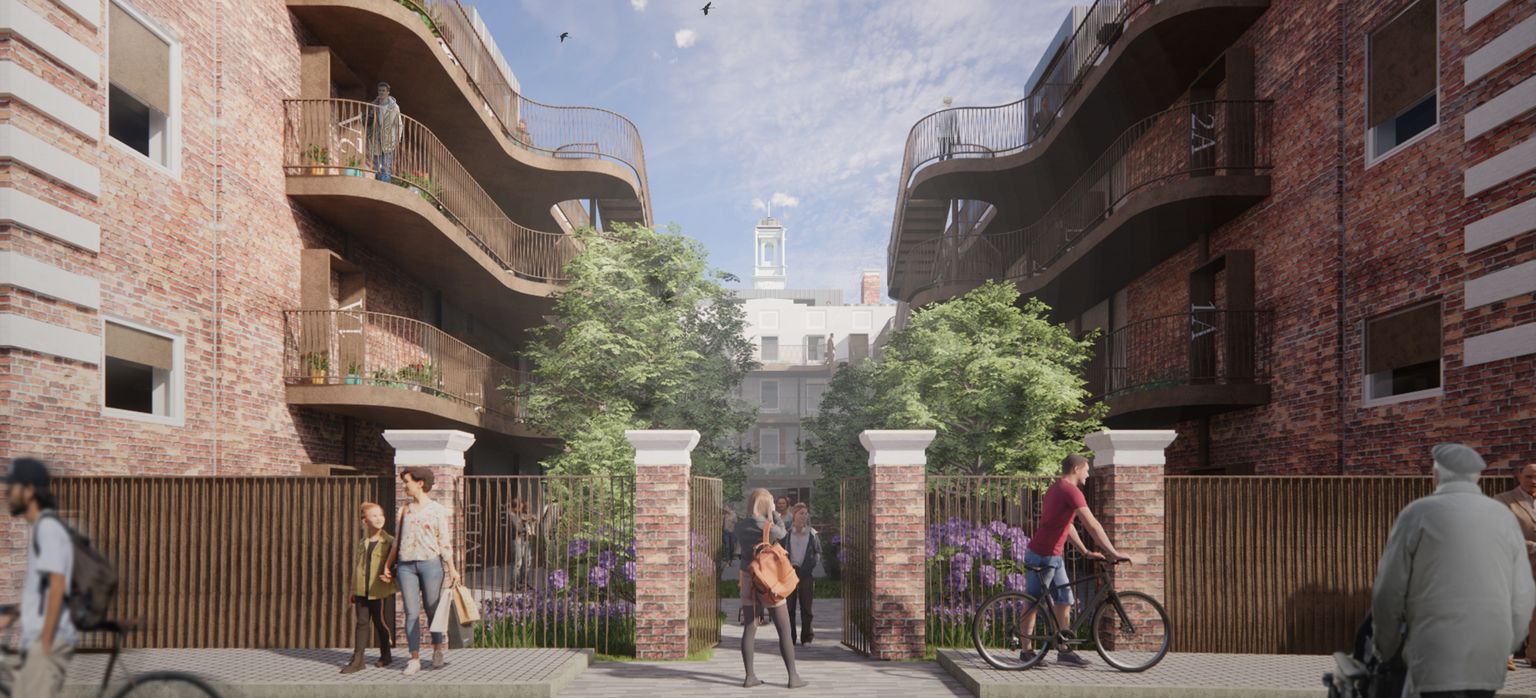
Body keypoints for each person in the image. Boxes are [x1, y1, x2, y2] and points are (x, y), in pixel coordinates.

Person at [1372, 444, 1535, 697]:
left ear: (1436, 476)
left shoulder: (1416, 513)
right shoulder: (1500, 515)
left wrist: (1387, 647)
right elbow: (1523, 591)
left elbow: (1389, 590)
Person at [1018, 453, 1130, 667]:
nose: (1088, 474)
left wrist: (1086, 551)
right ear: (1077, 468)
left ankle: (1065, 650)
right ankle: (1026, 652)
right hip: (1044, 555)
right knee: (1034, 601)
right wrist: (1112, 552)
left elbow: (1066, 525)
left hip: (1054, 554)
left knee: (1065, 599)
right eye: (1087, 470)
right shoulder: (1071, 491)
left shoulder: (1056, 489)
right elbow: (1092, 525)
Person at [0, 458, 75, 697]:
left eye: (12, 488)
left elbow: (57, 585)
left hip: (47, 641)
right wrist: (12, 615)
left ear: (29, 490)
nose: (7, 494)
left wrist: (44, 643)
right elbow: (42, 591)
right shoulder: (40, 529)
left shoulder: (48, 529)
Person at [380, 467, 460, 676]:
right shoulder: (404, 510)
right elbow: (397, 542)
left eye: (407, 481)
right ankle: (414, 658)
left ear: (420, 483)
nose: (404, 485)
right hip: (406, 566)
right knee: (411, 612)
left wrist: (452, 569)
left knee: (432, 609)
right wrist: (387, 565)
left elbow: (444, 540)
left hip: (431, 564)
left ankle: (437, 650)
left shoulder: (436, 510)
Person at [735, 488, 805, 689]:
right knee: (783, 628)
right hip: (768, 580)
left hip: (748, 579)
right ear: (767, 505)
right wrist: (773, 512)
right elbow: (783, 531)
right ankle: (793, 677)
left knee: (750, 627)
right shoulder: (770, 527)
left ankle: (750, 677)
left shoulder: (740, 527)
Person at [342, 502, 398, 673]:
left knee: (381, 624)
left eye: (380, 514)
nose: (379, 518)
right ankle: (358, 659)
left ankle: (386, 654)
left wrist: (391, 575)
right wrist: (353, 589)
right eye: (373, 516)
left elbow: (398, 563)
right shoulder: (363, 542)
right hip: (361, 590)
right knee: (361, 623)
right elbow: (358, 566)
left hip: (379, 590)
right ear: (364, 521)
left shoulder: (389, 541)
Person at [1495, 461, 1536, 670]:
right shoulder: (1503, 501)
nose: (1533, 481)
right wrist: (1532, 547)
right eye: (1529, 476)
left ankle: (1534, 655)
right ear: (1519, 476)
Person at [784, 503, 820, 645]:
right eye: (801, 513)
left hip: (806, 573)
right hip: (790, 572)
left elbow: (818, 552)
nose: (804, 516)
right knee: (789, 607)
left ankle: (807, 637)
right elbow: (780, 551)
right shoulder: (787, 533)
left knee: (806, 607)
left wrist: (810, 565)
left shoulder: (812, 533)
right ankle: (790, 637)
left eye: (806, 514)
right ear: (794, 515)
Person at [365, 81, 402, 183]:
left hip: (389, 139)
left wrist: (397, 140)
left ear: (388, 92)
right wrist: (369, 133)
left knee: (386, 164)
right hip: (376, 138)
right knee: (377, 164)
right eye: (379, 90)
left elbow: (399, 124)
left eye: (383, 91)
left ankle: (384, 185)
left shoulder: (394, 107)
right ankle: (378, 184)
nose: (381, 92)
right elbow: (368, 121)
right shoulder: (374, 105)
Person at [936, 96, 958, 160]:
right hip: (950, 134)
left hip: (941, 134)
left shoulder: (938, 111)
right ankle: (949, 164)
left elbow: (937, 124)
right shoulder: (953, 111)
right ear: (950, 102)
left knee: (941, 152)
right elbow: (955, 123)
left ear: (943, 101)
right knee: (950, 152)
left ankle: (941, 165)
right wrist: (957, 135)